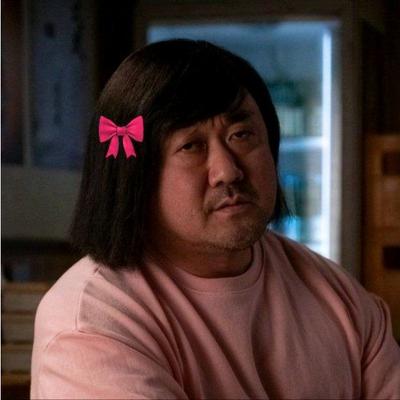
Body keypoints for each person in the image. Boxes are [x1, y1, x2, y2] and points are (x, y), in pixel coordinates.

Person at [31, 39, 400, 399]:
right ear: (136, 175)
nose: (227, 171)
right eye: (191, 146)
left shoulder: (338, 294)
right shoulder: (94, 322)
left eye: (241, 135)